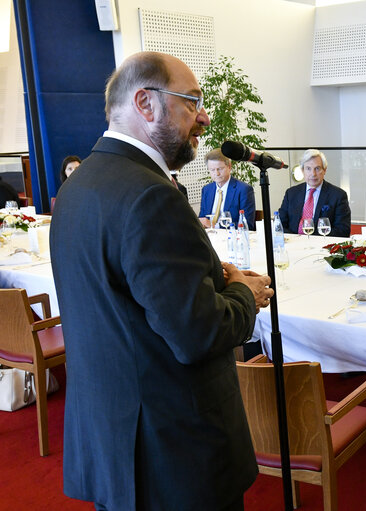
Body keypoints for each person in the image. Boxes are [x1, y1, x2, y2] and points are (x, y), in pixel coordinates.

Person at [50, 51, 273, 511]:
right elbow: (198, 334)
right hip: (173, 454)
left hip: (112, 439)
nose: (204, 118)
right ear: (146, 103)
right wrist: (242, 294)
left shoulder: (78, 186)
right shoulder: (152, 195)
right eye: (191, 101)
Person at [277, 148, 351, 237]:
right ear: (302, 171)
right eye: (308, 168)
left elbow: (343, 230)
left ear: (325, 170)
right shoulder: (291, 193)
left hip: (322, 246)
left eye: (317, 168)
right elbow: (280, 225)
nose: (313, 174)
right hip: (294, 244)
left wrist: (311, 238)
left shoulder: (338, 195)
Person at [199, 148, 256, 229]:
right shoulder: (207, 190)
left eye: (220, 169)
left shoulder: (244, 190)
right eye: (212, 170)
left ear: (229, 167)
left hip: (231, 237)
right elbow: (202, 219)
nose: (217, 173)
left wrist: (215, 225)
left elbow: (248, 225)